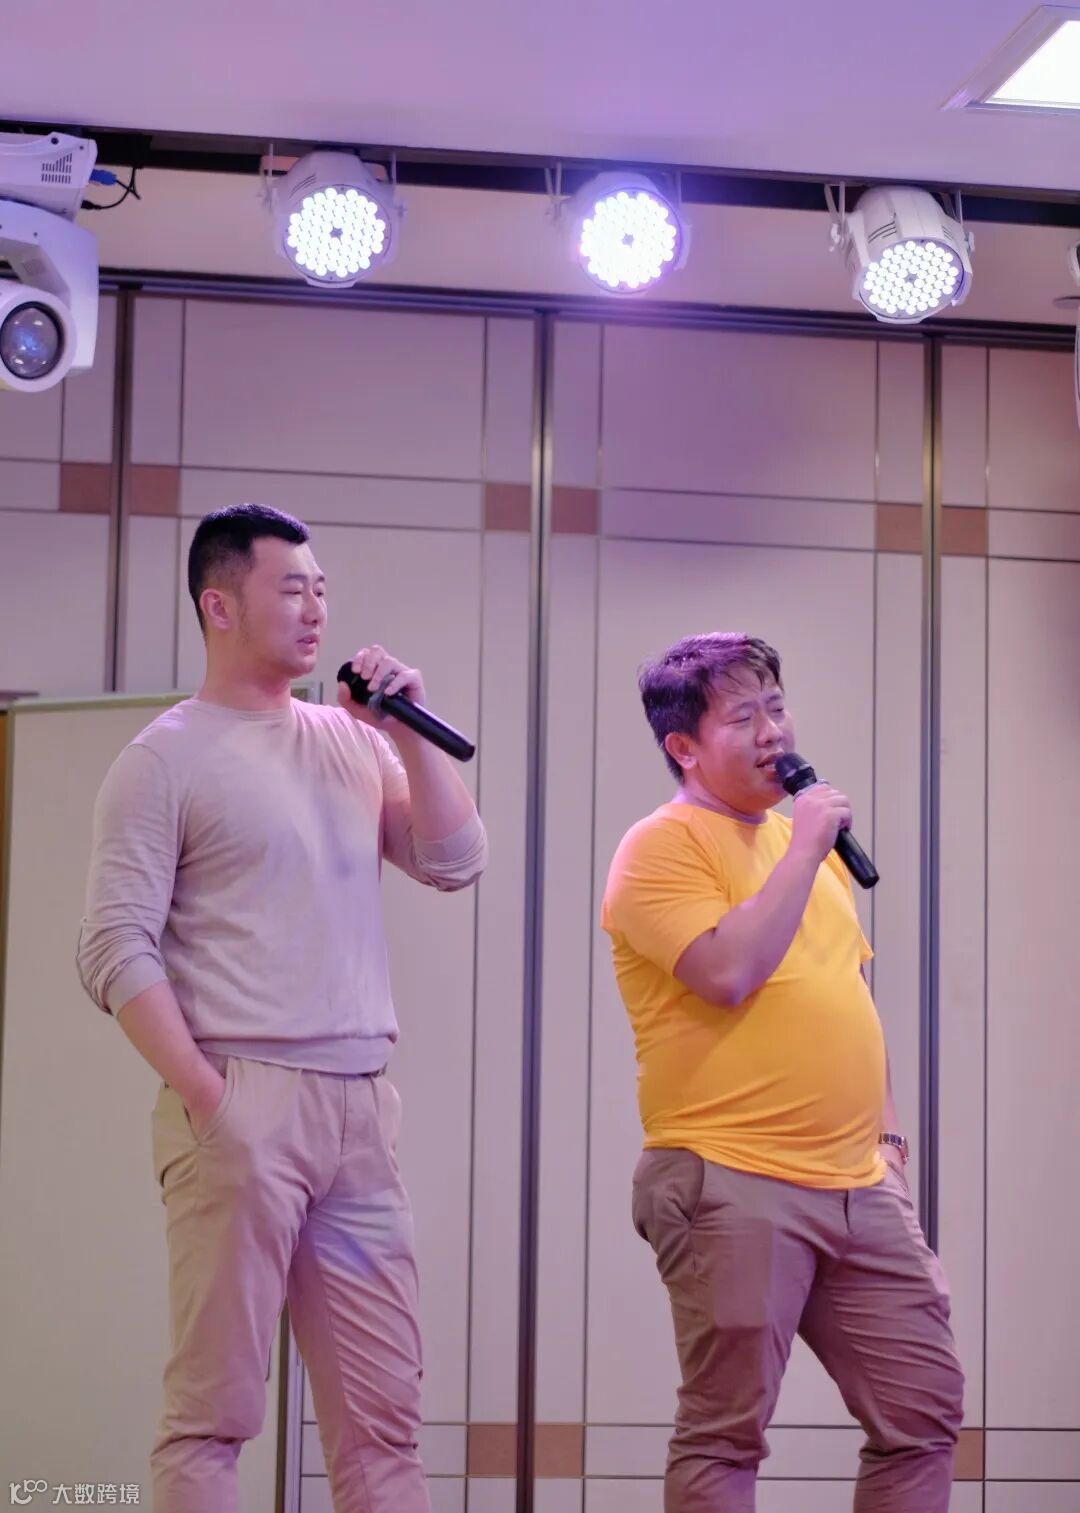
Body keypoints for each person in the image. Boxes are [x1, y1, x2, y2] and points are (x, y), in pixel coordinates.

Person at [77, 503, 488, 1513]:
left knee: (383, 1423)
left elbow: (454, 859)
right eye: (290, 588)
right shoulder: (163, 757)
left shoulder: (351, 740)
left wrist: (409, 730)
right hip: (242, 1098)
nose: (314, 610)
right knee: (213, 1415)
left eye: (321, 589)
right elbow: (113, 946)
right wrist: (210, 1097)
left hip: (360, 1107)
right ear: (219, 605)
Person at [601, 632, 962, 1513]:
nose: (772, 731)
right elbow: (727, 971)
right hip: (731, 1173)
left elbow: (851, 998)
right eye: (743, 717)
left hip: (859, 1184)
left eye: (776, 707)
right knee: (727, 1432)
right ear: (684, 746)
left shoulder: (811, 857)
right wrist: (803, 850)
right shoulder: (662, 846)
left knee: (922, 1413)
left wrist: (889, 1150)